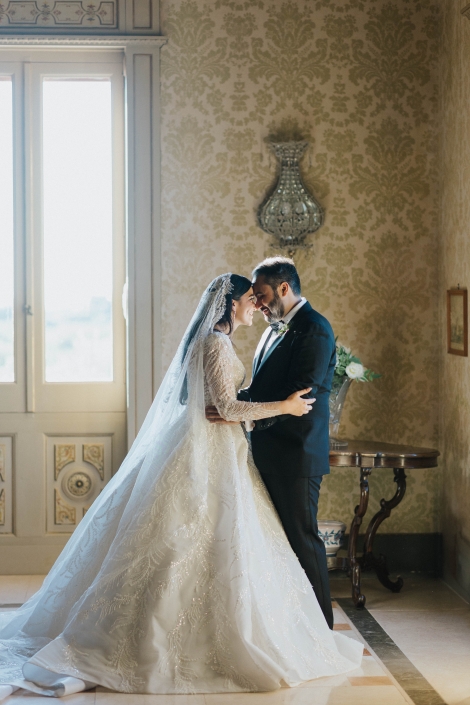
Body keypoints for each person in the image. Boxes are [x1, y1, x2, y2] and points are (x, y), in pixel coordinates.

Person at [0, 274, 362, 700]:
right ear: (229, 303)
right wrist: (283, 405)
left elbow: (219, 401)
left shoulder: (222, 340)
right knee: (187, 537)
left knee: (222, 540)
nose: (255, 307)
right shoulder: (215, 342)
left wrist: (248, 406)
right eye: (250, 299)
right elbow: (224, 407)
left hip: (223, 450)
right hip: (207, 452)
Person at [207, 257, 336, 629]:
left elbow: (301, 396)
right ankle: (290, 626)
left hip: (296, 454)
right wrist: (230, 403)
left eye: (262, 295)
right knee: (276, 544)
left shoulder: (315, 329)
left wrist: (240, 413)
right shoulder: (272, 330)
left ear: (284, 288)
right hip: (266, 450)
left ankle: (321, 628)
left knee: (302, 540)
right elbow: (265, 390)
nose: (258, 304)